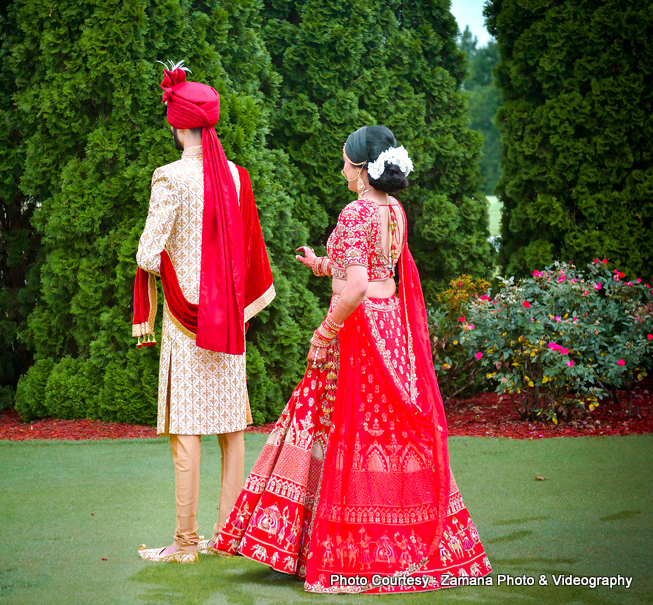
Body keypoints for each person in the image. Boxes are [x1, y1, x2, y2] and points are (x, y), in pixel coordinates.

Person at [214, 126, 491, 592]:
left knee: (341, 427)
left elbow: (358, 285)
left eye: (345, 161)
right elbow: (377, 272)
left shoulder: (355, 212)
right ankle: (396, 541)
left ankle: (335, 549)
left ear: (362, 169)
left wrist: (326, 330)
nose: (341, 169)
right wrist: (321, 264)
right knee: (378, 433)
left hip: (359, 334)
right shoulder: (394, 210)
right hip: (390, 328)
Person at [133, 62, 275, 564]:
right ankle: (229, 536)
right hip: (230, 319)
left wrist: (162, 261)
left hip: (184, 323)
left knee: (186, 429)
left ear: (178, 124)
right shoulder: (237, 177)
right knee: (231, 429)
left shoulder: (169, 178)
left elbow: (149, 254)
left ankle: (186, 544)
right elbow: (253, 255)